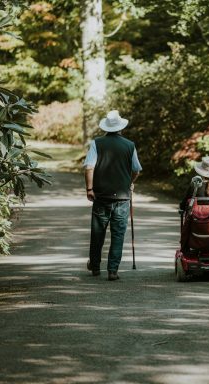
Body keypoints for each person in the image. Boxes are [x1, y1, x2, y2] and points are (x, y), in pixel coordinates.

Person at [83, 110, 142, 281]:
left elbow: (89, 167)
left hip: (101, 196)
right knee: (118, 234)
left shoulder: (97, 143)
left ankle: (95, 266)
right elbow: (136, 170)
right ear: (120, 127)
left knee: (97, 233)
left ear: (106, 128)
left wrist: (89, 189)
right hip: (122, 198)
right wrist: (129, 182)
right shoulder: (130, 145)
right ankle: (113, 270)